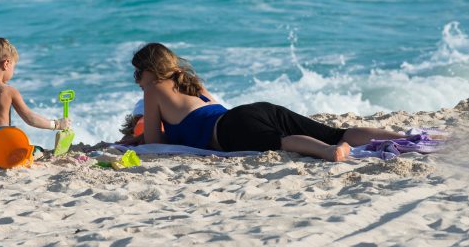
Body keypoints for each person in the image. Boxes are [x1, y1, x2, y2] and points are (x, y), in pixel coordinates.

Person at [132, 42, 403, 162]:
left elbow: (155, 142)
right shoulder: (190, 80)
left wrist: (132, 140)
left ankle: (331, 153)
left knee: (283, 141)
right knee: (336, 132)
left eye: (138, 72)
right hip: (251, 111)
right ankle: (402, 138)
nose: (136, 78)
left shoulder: (154, 89)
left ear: (151, 70)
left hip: (230, 129)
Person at [0, 37, 70, 163]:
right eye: (13, 67)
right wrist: (56, 124)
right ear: (6, 64)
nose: (13, 72)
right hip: (1, 155)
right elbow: (30, 118)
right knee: (39, 151)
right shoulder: (8, 91)